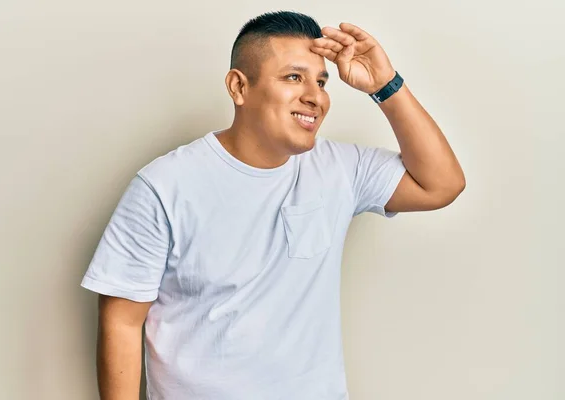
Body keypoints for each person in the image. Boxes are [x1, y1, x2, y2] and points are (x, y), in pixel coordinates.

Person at [80, 10, 465, 400]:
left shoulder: (341, 169)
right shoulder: (164, 186)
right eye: (293, 77)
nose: (314, 96)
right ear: (239, 87)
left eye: (321, 81)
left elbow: (442, 185)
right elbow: (122, 324)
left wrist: (385, 84)